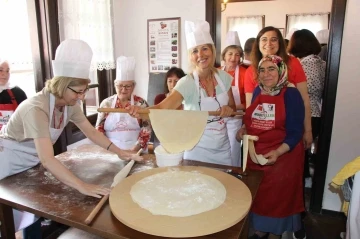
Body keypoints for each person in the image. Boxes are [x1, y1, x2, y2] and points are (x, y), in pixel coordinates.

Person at [0, 39, 142, 190]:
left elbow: (91, 132)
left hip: (31, 163)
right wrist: (83, 186)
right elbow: (47, 159)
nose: (81, 97)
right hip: (7, 163)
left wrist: (120, 153)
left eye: (84, 91)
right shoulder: (36, 109)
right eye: (78, 91)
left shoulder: (70, 104)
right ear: (62, 86)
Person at [129, 20, 236, 166]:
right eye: (195, 51)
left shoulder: (224, 78)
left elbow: (233, 107)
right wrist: (140, 111)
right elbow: (162, 108)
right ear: (190, 56)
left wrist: (229, 109)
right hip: (196, 150)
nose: (200, 55)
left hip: (223, 150)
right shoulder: (187, 83)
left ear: (212, 50)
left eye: (205, 48)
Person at [236, 55, 305, 239]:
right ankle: (260, 230)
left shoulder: (291, 94)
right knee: (259, 197)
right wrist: (243, 129)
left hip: (282, 157)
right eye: (262, 70)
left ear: (281, 70)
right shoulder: (259, 91)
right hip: (257, 154)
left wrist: (278, 152)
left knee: (278, 201)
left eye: (271, 69)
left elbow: (296, 131)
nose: (266, 74)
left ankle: (275, 234)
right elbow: (251, 118)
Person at [244, 26, 313, 150]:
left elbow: (304, 99)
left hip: (289, 134)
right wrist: (246, 129)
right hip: (262, 136)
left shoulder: (293, 63)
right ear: (258, 43)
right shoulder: (250, 71)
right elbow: (251, 106)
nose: (268, 43)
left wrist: (308, 130)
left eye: (274, 39)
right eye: (264, 39)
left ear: (280, 43)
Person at [288, 29, 326, 239]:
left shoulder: (304, 64)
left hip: (306, 116)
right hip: (317, 114)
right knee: (303, 159)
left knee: (298, 161)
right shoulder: (320, 62)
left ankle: (298, 211)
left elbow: (302, 94)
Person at [96, 56, 152, 152]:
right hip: (110, 150)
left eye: (128, 86)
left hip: (136, 150)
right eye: (120, 85)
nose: (123, 89)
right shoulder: (106, 104)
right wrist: (109, 149)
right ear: (115, 85)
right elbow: (99, 129)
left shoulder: (141, 104)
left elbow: (147, 129)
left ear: (133, 86)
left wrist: (134, 149)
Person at [221, 31, 246, 166]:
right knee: (219, 149)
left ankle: (234, 176)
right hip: (218, 118)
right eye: (230, 53)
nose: (233, 58)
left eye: (237, 54)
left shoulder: (244, 73)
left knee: (233, 151)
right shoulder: (217, 72)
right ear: (224, 55)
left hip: (235, 120)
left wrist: (233, 108)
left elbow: (249, 101)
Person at [0, 58, 27, 130]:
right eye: (1, 70)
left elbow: (27, 117)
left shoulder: (18, 92)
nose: (4, 74)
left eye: (7, 71)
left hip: (13, 138)